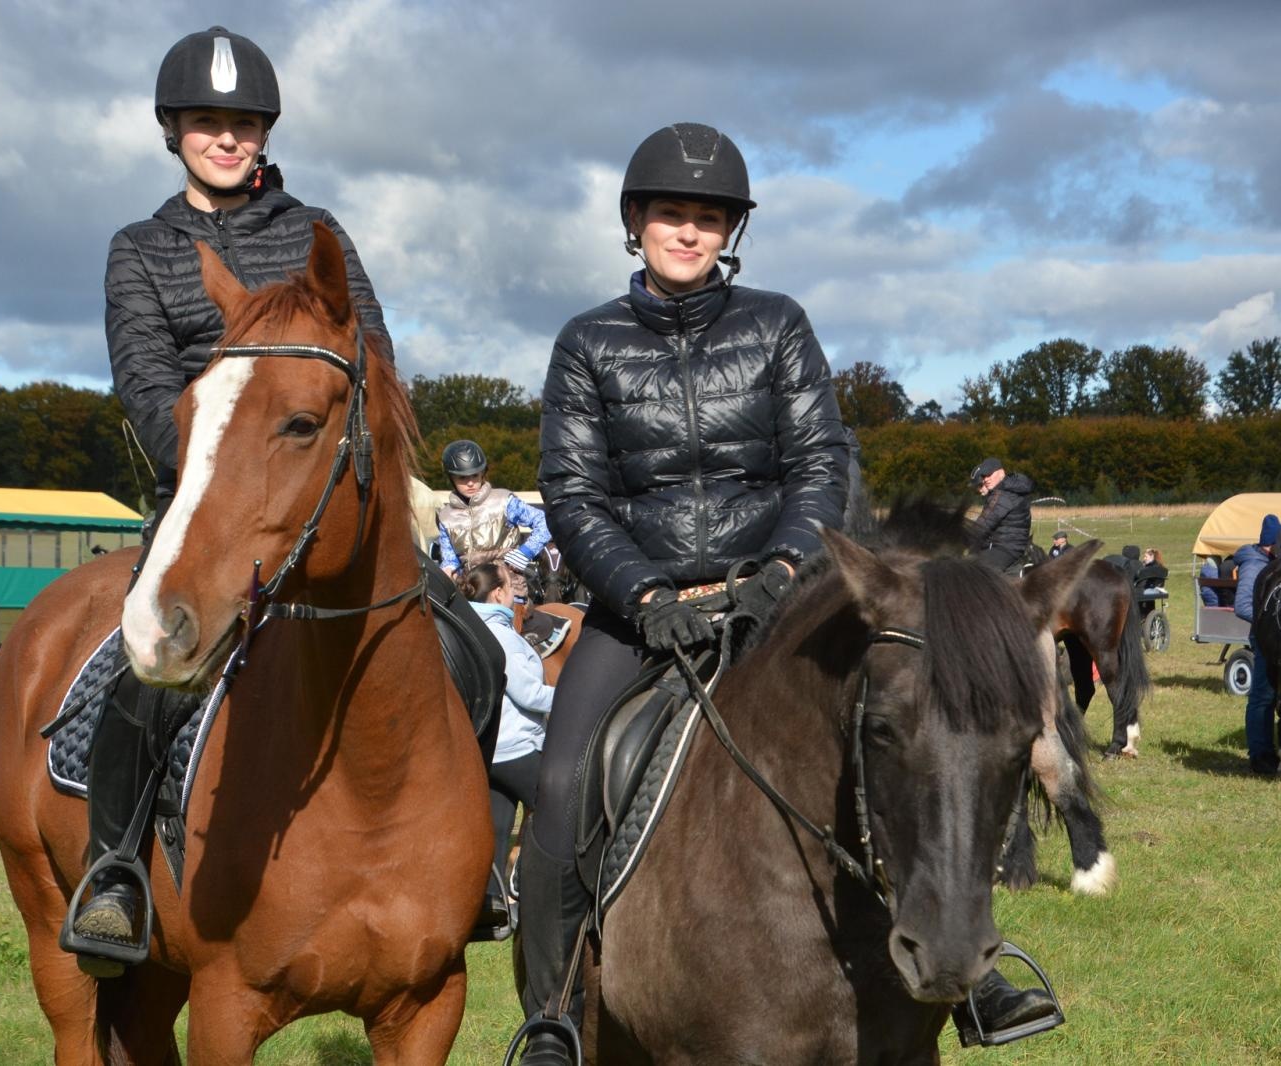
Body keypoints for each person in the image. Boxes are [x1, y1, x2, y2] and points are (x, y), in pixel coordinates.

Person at [517, 122, 1050, 1065]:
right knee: (561, 787)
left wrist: (778, 571)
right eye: (672, 214)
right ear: (635, 222)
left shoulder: (777, 324)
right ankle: (555, 1012)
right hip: (637, 612)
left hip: (779, 599)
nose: (689, 232)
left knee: (919, 731)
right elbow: (574, 494)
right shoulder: (586, 343)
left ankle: (970, 971)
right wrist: (643, 594)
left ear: (732, 231)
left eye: (710, 218)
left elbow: (817, 464)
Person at [73, 25, 393, 968]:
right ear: (174, 130)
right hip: (201, 501)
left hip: (324, 498)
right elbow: (144, 382)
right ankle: (115, 874)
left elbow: (374, 363)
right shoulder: (139, 249)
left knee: (460, 650)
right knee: (139, 680)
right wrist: (223, 478)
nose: (228, 139)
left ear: (265, 133)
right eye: (209, 123)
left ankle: (470, 858)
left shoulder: (315, 234)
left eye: (244, 124)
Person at [460, 562, 552, 930]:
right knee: (562, 811)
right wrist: (573, 697)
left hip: (488, 749)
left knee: (497, 830)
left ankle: (493, 910)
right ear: (497, 593)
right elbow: (527, 692)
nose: (516, 586)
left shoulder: (468, 627)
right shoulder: (499, 633)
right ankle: (544, 893)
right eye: (510, 582)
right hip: (516, 747)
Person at [436, 439, 553, 604]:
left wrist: (525, 552)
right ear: (451, 477)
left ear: (483, 473)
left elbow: (545, 522)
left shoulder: (504, 501)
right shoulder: (445, 517)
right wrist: (447, 570)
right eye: (462, 478)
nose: (470, 483)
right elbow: (450, 560)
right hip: (470, 592)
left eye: (475, 475)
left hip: (508, 588)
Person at [1234, 515, 1281, 775]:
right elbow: (1242, 606)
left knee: (1273, 694)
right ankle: (1259, 754)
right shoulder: (1254, 565)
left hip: (1275, 636)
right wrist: (1273, 620)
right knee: (1262, 696)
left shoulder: (1269, 562)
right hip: (1264, 637)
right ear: (1271, 543)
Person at [968, 457, 1036, 570]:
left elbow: (982, 526)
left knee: (974, 571)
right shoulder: (1006, 490)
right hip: (1007, 545)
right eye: (984, 476)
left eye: (989, 474)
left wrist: (957, 539)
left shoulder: (1003, 495)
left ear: (1001, 472)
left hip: (1006, 548)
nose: (986, 479)